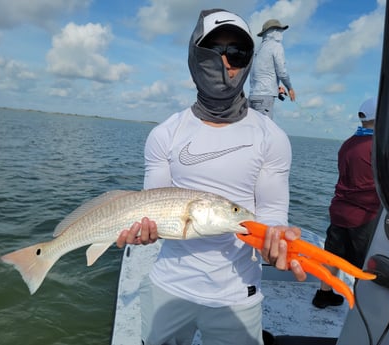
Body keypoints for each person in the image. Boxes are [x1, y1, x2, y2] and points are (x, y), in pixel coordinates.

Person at [116, 9, 306, 345]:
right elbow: (154, 210)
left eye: (237, 53)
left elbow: (272, 216)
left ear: (248, 60)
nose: (225, 63)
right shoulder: (164, 134)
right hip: (168, 287)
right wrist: (142, 231)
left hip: (238, 295)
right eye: (212, 51)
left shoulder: (272, 137)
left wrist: (275, 244)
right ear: (194, 57)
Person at [312, 97, 389, 309]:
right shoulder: (382, 146)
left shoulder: (347, 144)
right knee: (364, 263)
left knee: (332, 255)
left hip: (339, 210)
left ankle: (323, 295)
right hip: (364, 215)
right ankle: (361, 307)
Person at [248, 19, 296, 119]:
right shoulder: (276, 46)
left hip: (252, 97)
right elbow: (282, 71)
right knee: (265, 131)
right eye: (279, 30)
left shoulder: (259, 49)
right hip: (264, 99)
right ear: (273, 31)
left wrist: (276, 88)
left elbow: (258, 75)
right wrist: (289, 88)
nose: (281, 33)